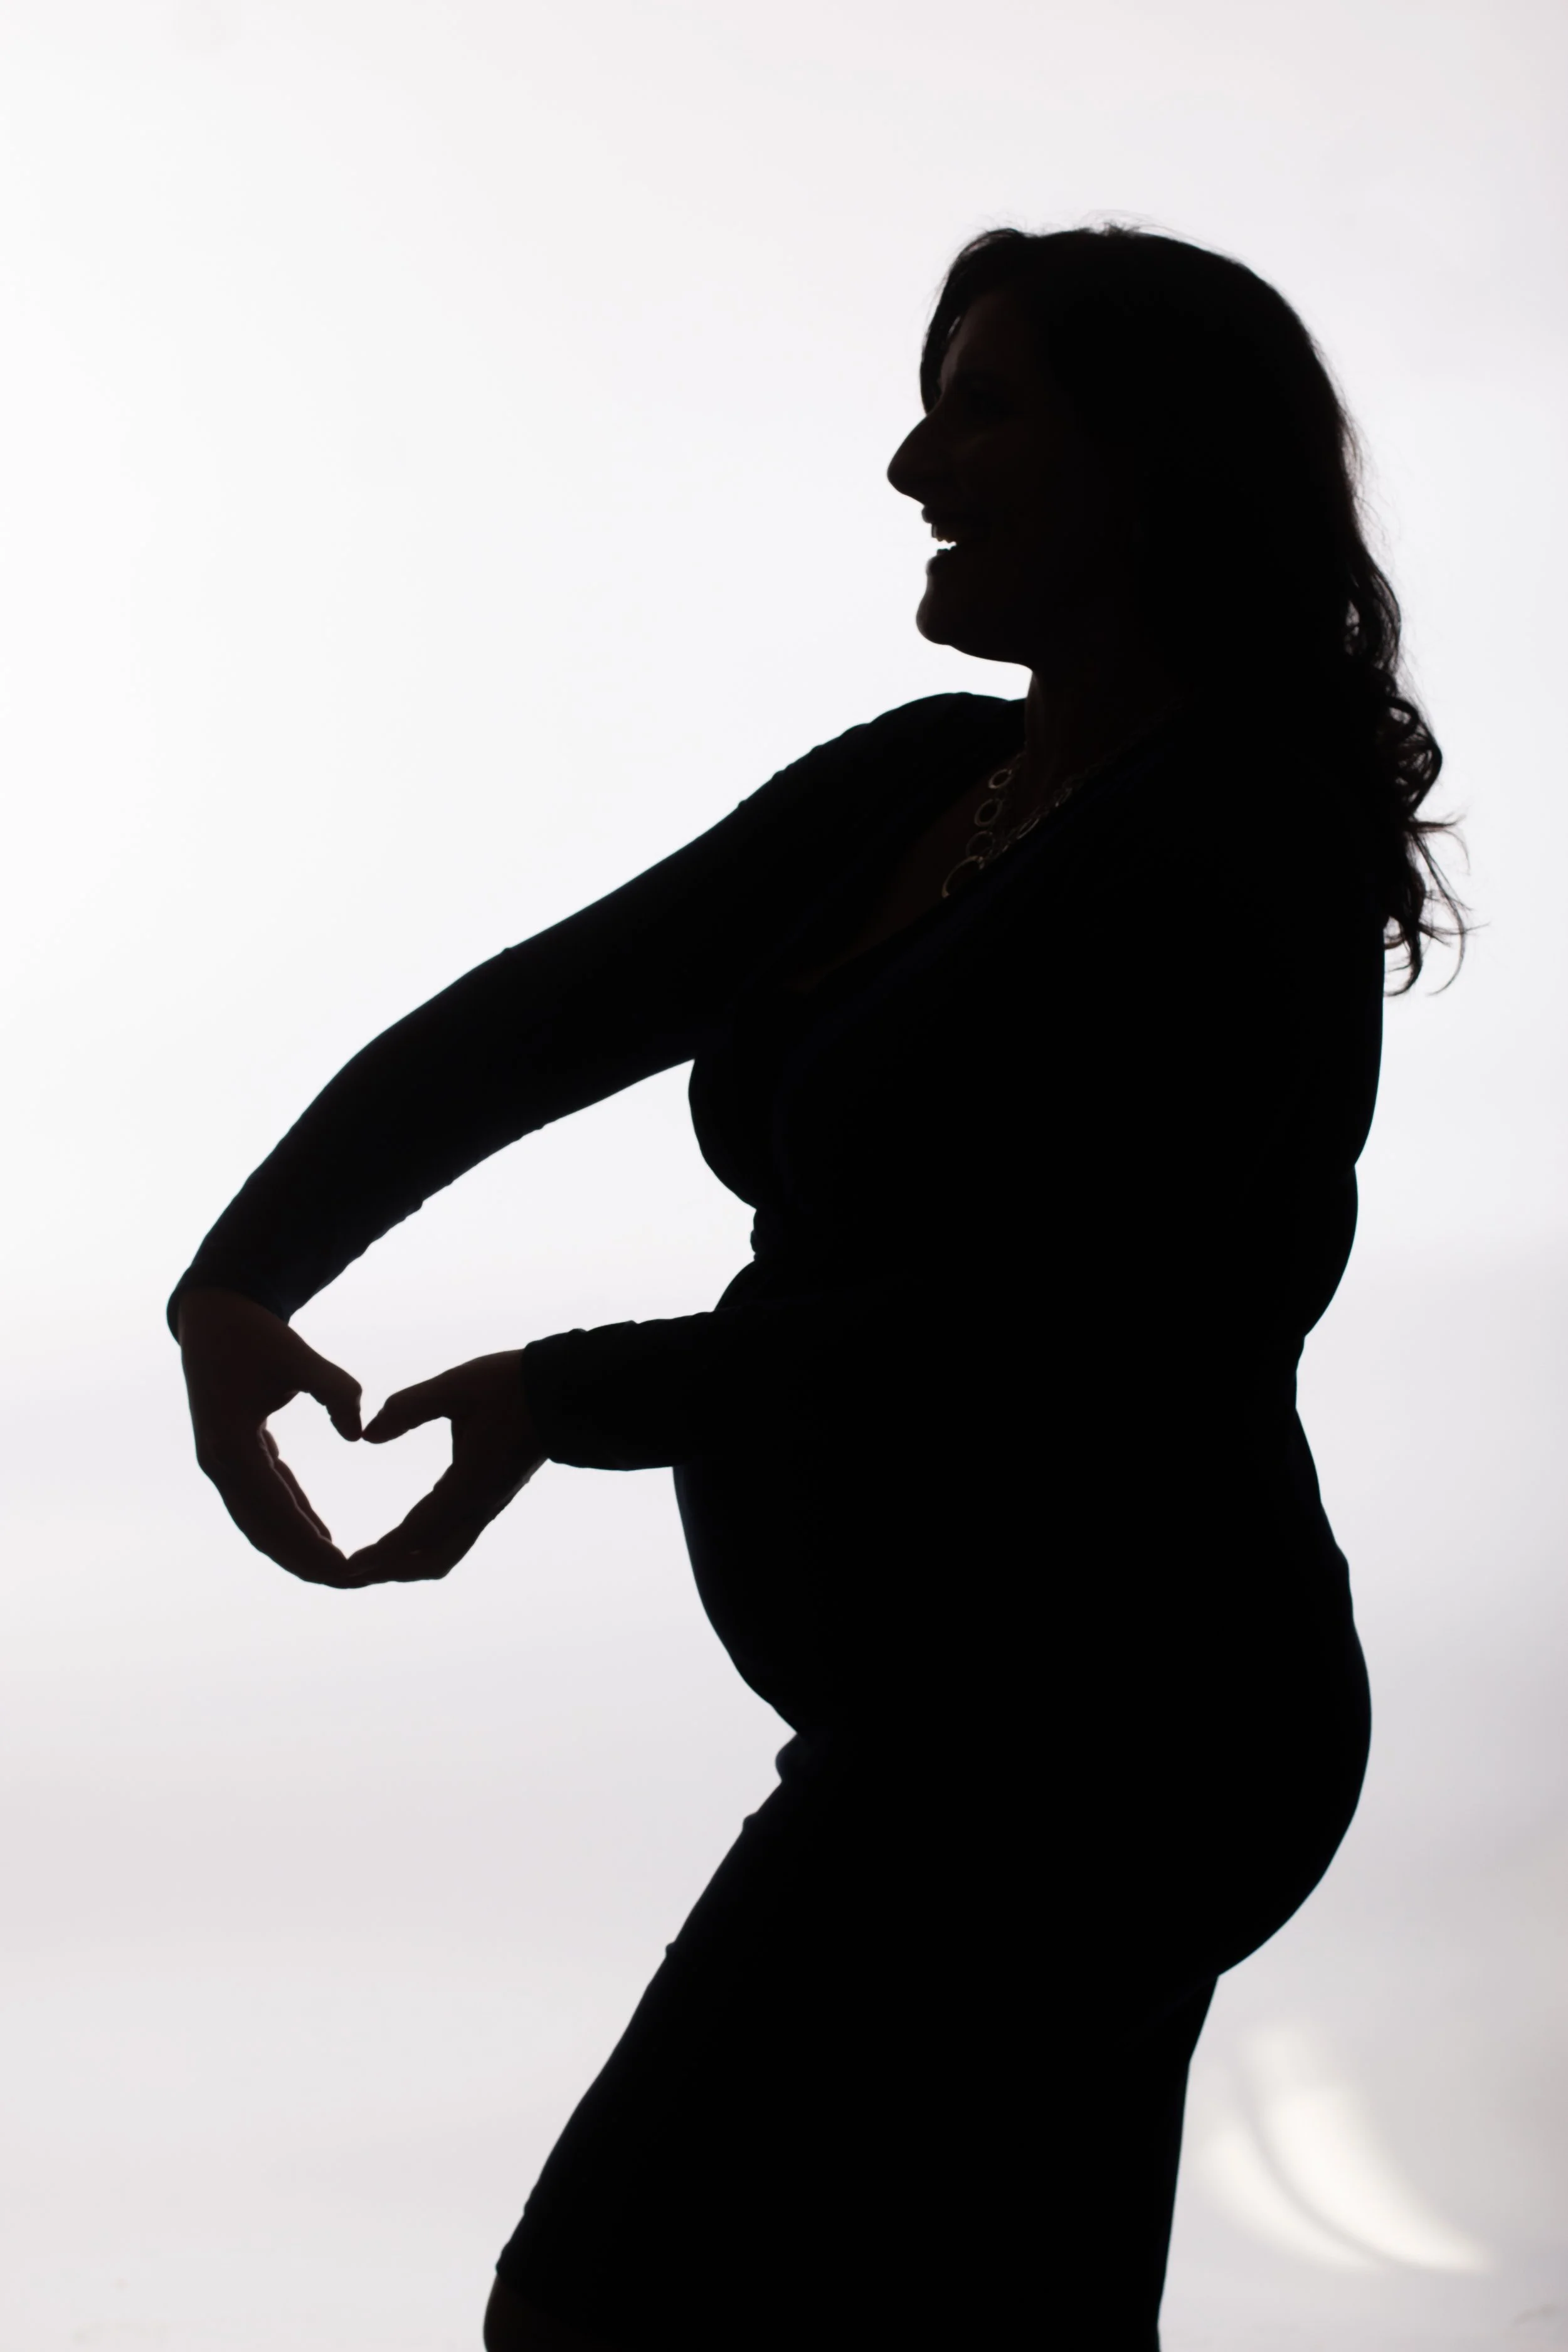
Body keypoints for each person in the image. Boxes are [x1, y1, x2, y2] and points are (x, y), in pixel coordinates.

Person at [169, 223, 1466, 2349]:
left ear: (1142, 464)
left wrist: (569, 1390)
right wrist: (247, 1271)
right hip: (943, 1715)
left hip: (1111, 1727)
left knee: (610, 2305)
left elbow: (1090, 1331)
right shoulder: (923, 784)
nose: (908, 461)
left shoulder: (1243, 844)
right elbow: (550, 1009)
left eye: (982, 406)